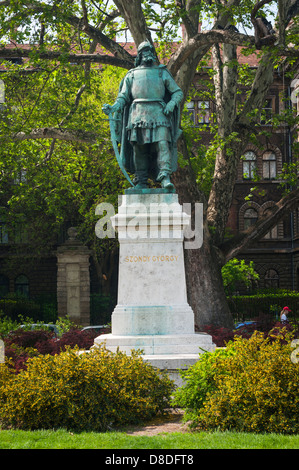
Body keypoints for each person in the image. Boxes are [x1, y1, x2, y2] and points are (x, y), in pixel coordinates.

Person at [103, 40, 183, 190]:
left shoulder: (161, 72)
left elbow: (177, 92)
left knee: (163, 144)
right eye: (144, 52)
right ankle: (141, 181)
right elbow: (123, 96)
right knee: (139, 148)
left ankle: (165, 177)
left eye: (150, 51)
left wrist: (171, 104)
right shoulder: (132, 75)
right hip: (138, 114)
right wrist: (113, 108)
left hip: (159, 113)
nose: (148, 54)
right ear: (139, 55)